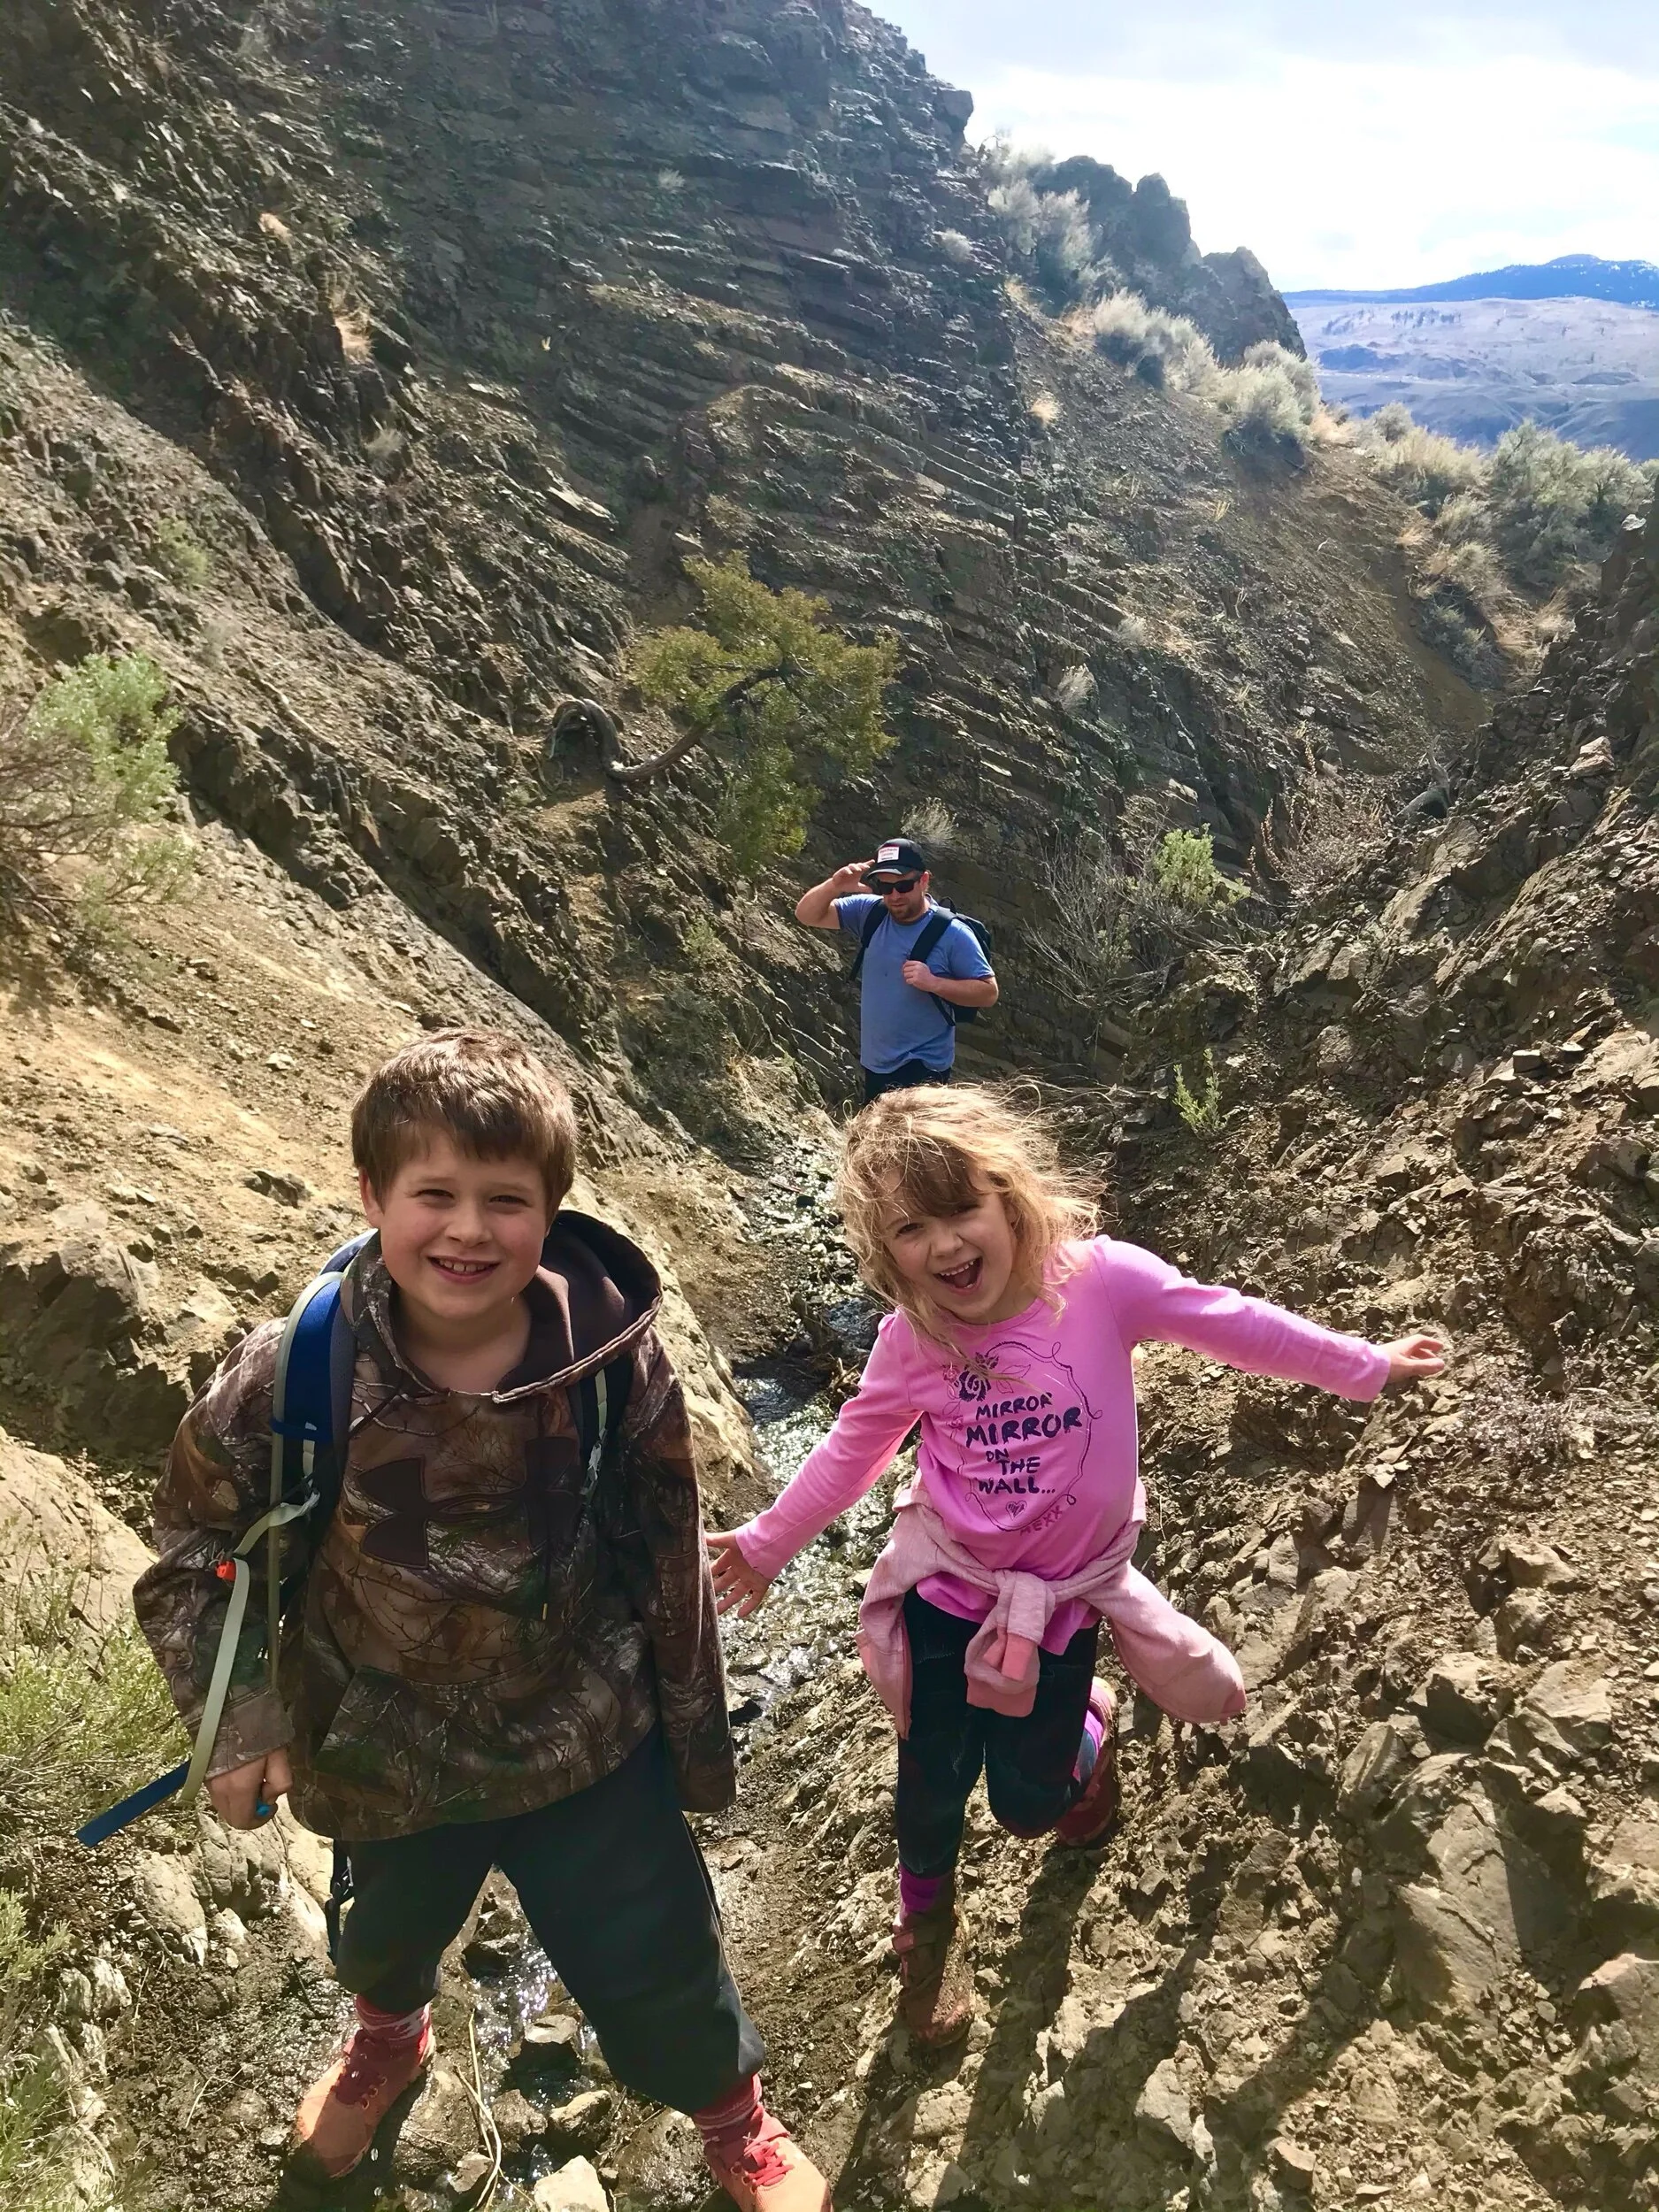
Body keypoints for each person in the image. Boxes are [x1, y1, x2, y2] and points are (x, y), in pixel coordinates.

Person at [134, 1031, 829, 2212]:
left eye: (503, 1200)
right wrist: (242, 1721)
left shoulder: (610, 1362)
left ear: (552, 1211)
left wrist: (692, 1743)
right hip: (380, 1738)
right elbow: (197, 1545)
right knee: (382, 1937)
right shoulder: (295, 1371)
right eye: (433, 1196)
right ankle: (388, 2040)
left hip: (585, 1732)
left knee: (658, 1952)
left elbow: (662, 1547)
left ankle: (732, 2119)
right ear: (372, 1196)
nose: (466, 1231)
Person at [706, 1086, 1445, 2049]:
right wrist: (766, 1544)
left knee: (1028, 1804)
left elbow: (1235, 1322)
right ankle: (926, 1927)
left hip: (1060, 1602)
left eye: (961, 1208)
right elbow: (851, 1451)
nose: (944, 1245)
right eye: (910, 1228)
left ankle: (1081, 1744)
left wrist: (1367, 1365)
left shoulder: (1101, 1283)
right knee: (930, 1774)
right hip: (949, 1583)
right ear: (885, 1253)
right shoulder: (912, 1337)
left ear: (1011, 1196)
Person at [795, 838, 997, 1103]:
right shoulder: (871, 912)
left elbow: (988, 992)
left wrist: (934, 982)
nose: (894, 896)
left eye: (903, 885)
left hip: (924, 1070)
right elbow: (806, 915)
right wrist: (835, 885)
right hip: (876, 1065)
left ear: (924, 881)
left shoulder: (952, 933)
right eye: (885, 887)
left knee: (912, 1145)